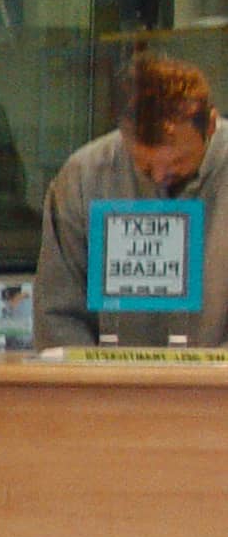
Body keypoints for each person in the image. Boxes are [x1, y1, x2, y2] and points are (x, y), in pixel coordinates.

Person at [35, 51, 228, 347]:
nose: (161, 175)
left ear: (211, 126)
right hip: (111, 387)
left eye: (177, 161)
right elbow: (58, 315)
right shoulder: (83, 177)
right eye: (145, 166)